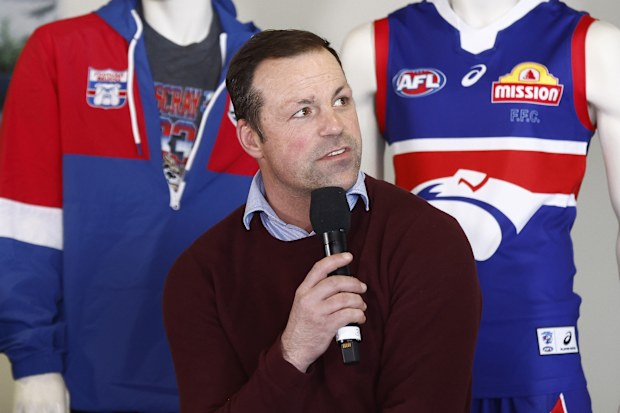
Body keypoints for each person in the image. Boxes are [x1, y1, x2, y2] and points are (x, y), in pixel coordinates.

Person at [163, 29, 482, 413]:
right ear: (251, 139)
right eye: (304, 110)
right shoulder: (201, 275)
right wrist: (293, 351)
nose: (334, 125)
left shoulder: (428, 241)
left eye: (340, 100)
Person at [340, 0, 620, 411]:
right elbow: (359, 228)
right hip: (419, 360)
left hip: (539, 360)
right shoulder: (373, 48)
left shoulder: (592, 46)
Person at [0, 0, 259, 411]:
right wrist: (34, 364)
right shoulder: (60, 49)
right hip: (91, 383)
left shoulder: (268, 65)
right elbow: (25, 222)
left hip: (234, 385)